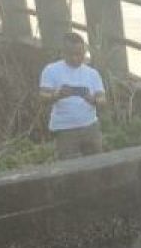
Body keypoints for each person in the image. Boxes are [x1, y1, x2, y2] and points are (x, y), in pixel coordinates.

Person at [39, 32, 106, 160]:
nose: (75, 58)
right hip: (65, 129)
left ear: (84, 52)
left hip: (90, 127)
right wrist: (57, 95)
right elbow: (42, 97)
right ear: (63, 52)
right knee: (70, 170)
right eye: (71, 54)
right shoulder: (51, 70)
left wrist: (92, 100)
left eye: (79, 54)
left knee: (97, 166)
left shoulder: (92, 73)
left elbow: (103, 100)